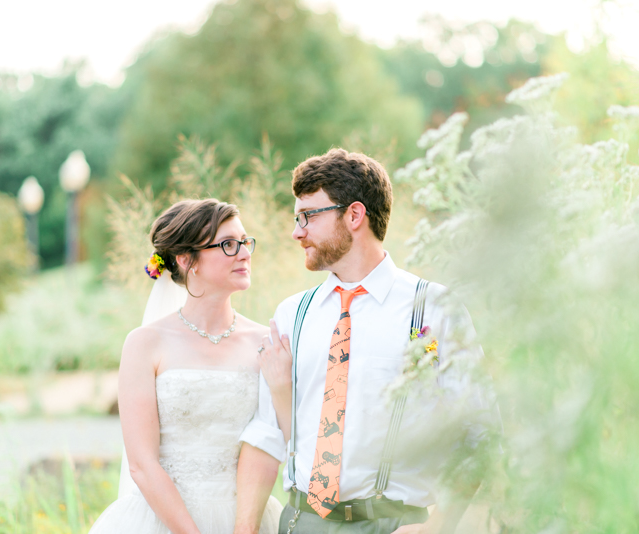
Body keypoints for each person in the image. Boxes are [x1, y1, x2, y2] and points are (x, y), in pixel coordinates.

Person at [233, 149, 492, 534]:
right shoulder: (292, 315)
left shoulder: (434, 309)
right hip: (301, 522)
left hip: (392, 525)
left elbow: (478, 430)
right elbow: (265, 436)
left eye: (308, 216)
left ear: (354, 215)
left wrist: (437, 527)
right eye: (295, 218)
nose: (296, 232)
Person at [89, 199, 282, 534]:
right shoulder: (144, 344)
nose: (244, 253)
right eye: (227, 244)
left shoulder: (266, 341)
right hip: (161, 519)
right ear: (186, 260)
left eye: (245, 242)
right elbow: (142, 464)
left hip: (247, 518)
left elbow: (272, 440)